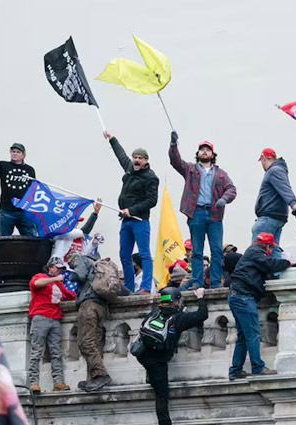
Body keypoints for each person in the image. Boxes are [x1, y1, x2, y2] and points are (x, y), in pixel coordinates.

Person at [169, 131, 237, 290]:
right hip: (196, 213)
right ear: (198, 154)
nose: (204, 151)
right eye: (202, 149)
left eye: (208, 149)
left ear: (213, 154)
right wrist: (173, 145)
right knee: (197, 251)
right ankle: (197, 282)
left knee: (217, 251)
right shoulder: (189, 169)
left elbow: (232, 189)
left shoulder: (221, 174)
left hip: (214, 215)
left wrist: (224, 199)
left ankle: (215, 283)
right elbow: (175, 161)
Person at [136, 287, 208, 425]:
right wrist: (200, 297)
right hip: (158, 362)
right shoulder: (179, 318)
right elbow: (202, 315)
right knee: (162, 396)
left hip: (142, 355)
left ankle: (151, 378)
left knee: (153, 372)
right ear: (176, 301)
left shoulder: (155, 312)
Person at [228, 232, 291, 380]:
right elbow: (269, 265)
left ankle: (236, 370)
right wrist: (287, 262)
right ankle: (258, 367)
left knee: (243, 335)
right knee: (252, 333)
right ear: (268, 247)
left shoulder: (252, 252)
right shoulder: (256, 252)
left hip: (237, 295)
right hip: (243, 297)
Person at [103, 131, 159, 293]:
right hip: (126, 221)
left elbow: (152, 201)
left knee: (144, 254)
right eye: (135, 157)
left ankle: (146, 286)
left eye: (140, 158)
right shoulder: (129, 168)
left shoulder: (151, 177)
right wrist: (112, 139)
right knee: (124, 254)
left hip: (140, 221)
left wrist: (131, 210)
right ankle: (128, 285)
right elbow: (120, 155)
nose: (136, 160)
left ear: (146, 161)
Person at [69, 252, 130, 392]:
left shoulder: (81, 260)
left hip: (88, 305)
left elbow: (79, 275)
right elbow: (121, 290)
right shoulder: (101, 269)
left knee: (85, 342)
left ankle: (101, 375)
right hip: (101, 307)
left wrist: (68, 276)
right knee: (94, 343)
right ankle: (92, 378)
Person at [27, 257, 76, 393]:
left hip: (55, 319)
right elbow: (36, 283)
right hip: (40, 317)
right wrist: (55, 279)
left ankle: (58, 382)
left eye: (61, 269)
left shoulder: (60, 285)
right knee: (36, 351)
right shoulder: (40, 276)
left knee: (56, 352)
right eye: (58, 268)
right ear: (50, 267)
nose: (60, 271)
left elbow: (71, 295)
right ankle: (34, 383)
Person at [0, 138, 36, 236]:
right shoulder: (4, 166)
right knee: (3, 240)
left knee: (32, 239)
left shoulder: (29, 170)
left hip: (24, 212)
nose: (15, 154)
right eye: (13, 151)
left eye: (18, 152)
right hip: (7, 211)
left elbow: (33, 189)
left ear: (23, 155)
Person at [253, 148, 296, 259]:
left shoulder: (274, 171)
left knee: (258, 252)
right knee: (273, 250)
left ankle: (261, 276)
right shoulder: (278, 170)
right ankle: (275, 275)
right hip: (276, 217)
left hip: (268, 217)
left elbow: (284, 188)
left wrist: (293, 204)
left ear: (263, 159)